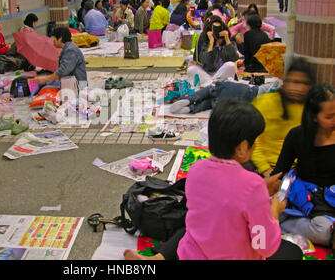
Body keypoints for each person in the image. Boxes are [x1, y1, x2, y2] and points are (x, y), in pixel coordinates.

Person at [125, 98, 303, 260]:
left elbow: (225, 196)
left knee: (196, 229)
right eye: (254, 141)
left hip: (192, 254)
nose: (255, 146)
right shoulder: (252, 185)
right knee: (293, 252)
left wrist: (259, 190)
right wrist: (273, 210)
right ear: (242, 147)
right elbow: (264, 246)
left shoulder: (196, 169)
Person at [272, 84, 335, 247]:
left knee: (325, 229)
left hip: (331, 197)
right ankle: (284, 222)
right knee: (323, 231)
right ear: (314, 116)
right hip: (306, 196)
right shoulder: (297, 136)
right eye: (329, 117)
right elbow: (279, 173)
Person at [251, 58, 315, 177]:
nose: (298, 88)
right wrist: (266, 170)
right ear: (285, 82)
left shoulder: (313, 109)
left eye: (304, 83)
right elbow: (253, 141)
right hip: (264, 168)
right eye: (294, 82)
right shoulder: (265, 103)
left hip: (298, 170)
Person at [169, 77, 282, 114]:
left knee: (210, 91)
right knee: (210, 103)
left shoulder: (277, 87)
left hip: (246, 92)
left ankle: (189, 100)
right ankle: (190, 108)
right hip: (242, 103)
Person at [187, 16, 239, 88]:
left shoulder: (226, 39)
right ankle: (214, 85)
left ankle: (210, 86)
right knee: (191, 70)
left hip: (222, 74)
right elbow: (207, 61)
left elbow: (234, 58)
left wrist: (227, 39)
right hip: (207, 73)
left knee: (230, 65)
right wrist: (211, 42)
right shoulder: (204, 39)